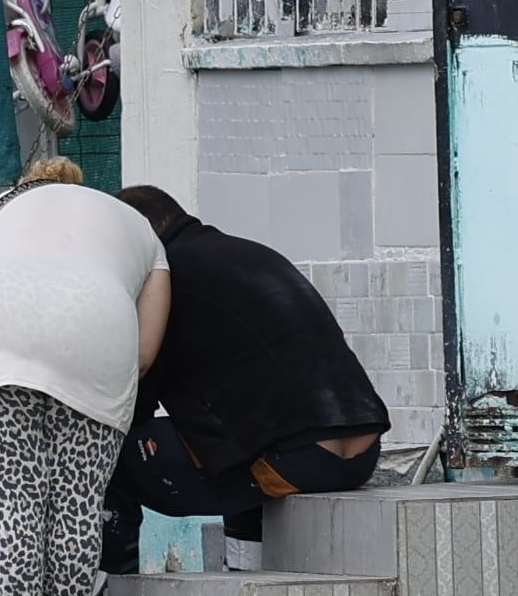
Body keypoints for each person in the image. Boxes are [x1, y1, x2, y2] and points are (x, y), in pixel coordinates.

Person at [0, 156, 166, 596]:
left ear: (26, 186)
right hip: (96, 331)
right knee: (77, 505)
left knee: (10, 503)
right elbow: (144, 350)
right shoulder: (137, 228)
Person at [101, 185, 387, 575]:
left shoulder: (165, 276)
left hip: (297, 460)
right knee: (224, 438)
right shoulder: (242, 253)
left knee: (106, 458)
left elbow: (137, 397)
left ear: (132, 238)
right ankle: (244, 573)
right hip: (360, 453)